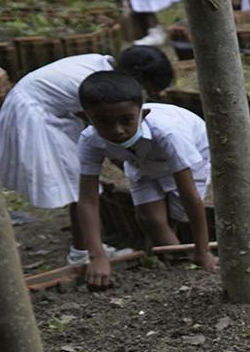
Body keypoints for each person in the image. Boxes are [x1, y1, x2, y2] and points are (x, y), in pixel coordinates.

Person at [0, 47, 174, 265]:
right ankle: (82, 254)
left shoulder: (103, 69)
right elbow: (105, 136)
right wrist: (139, 167)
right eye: (147, 89)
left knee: (82, 184)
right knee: (81, 188)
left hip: (49, 109)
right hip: (38, 114)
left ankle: (88, 248)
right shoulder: (103, 89)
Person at [72, 72, 212, 288]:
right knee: (150, 219)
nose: (117, 131)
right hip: (139, 163)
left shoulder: (169, 134)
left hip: (188, 158)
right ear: (85, 117)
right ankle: (181, 269)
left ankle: (183, 259)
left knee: (177, 213)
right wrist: (97, 256)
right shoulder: (90, 141)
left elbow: (189, 195)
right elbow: (88, 200)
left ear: (143, 114)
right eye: (104, 122)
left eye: (126, 120)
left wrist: (203, 250)